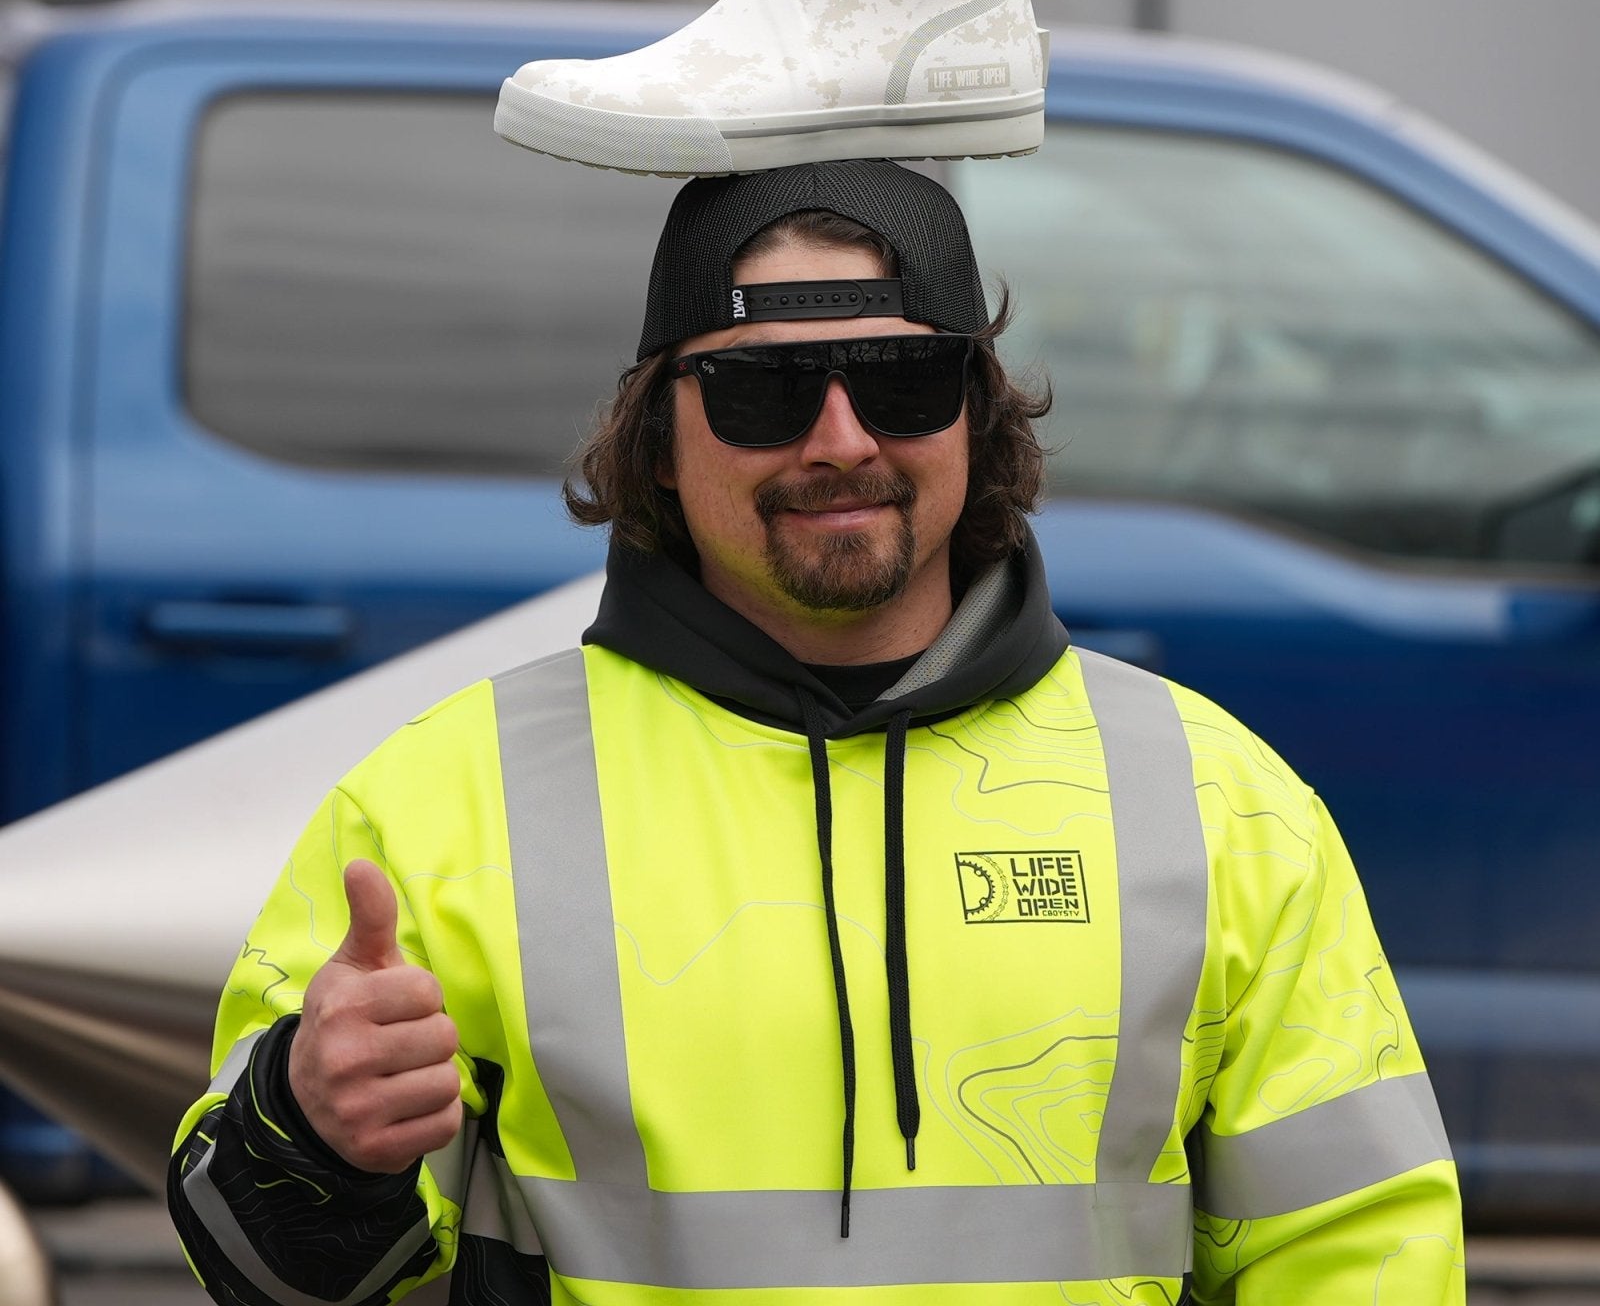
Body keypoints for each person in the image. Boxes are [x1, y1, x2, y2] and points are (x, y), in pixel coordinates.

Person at [169, 160, 1465, 1305]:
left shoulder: (1215, 801)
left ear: (978, 409)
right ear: (658, 438)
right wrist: (308, 1138)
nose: (841, 439)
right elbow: (262, 1273)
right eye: (763, 392)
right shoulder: (442, 805)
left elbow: (1361, 1251)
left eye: (902, 379)